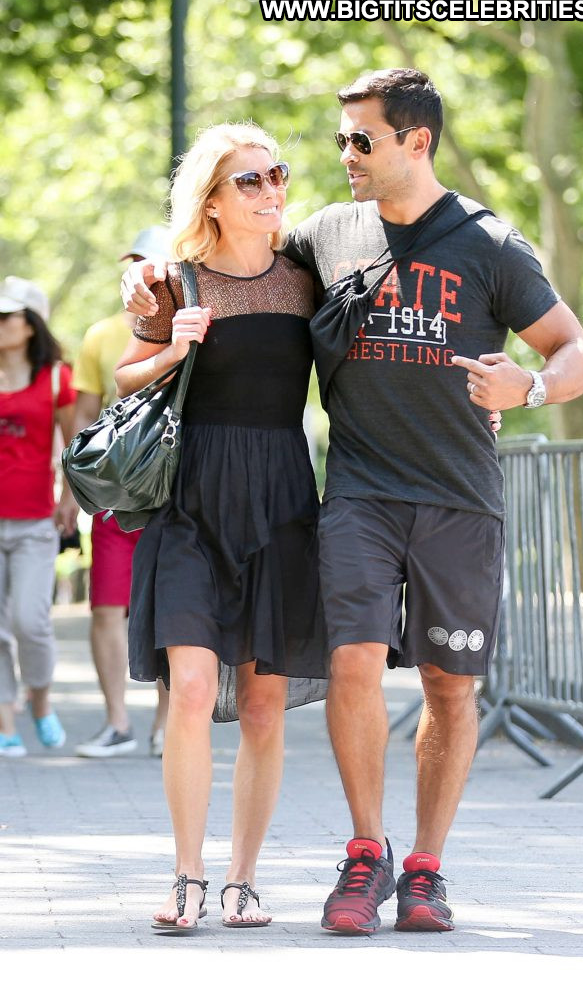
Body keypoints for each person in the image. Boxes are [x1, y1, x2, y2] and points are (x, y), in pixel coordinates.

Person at [122, 69, 583, 935]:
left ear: (416, 141)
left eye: (361, 139)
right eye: (340, 138)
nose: (344, 154)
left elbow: (576, 351)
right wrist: (148, 272)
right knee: (352, 662)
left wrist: (529, 387)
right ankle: (365, 850)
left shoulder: (492, 243)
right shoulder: (329, 234)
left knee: (451, 685)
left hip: (458, 495)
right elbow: (229, 255)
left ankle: (425, 868)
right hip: (356, 494)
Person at [114, 122, 327, 931]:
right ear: (210, 198)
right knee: (194, 689)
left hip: (281, 500)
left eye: (277, 174)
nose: (271, 190)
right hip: (191, 502)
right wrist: (172, 348)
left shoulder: (306, 279)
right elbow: (125, 378)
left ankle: (243, 879)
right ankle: (187, 875)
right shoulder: (175, 282)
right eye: (250, 180)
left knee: (265, 706)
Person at [61, 228, 172, 759]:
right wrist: (72, 488)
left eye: (153, 261)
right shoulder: (102, 334)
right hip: (117, 490)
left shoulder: (196, 322)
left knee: (173, 608)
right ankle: (116, 722)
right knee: (106, 608)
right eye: (135, 260)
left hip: (172, 490)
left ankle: (167, 725)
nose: (142, 270)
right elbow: (85, 414)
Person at [0, 276, 77, 757]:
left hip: (35, 520)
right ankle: (5, 720)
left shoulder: (55, 378)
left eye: (5, 316)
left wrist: (69, 497)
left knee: (30, 621)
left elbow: (72, 448)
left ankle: (41, 701)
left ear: (29, 325)